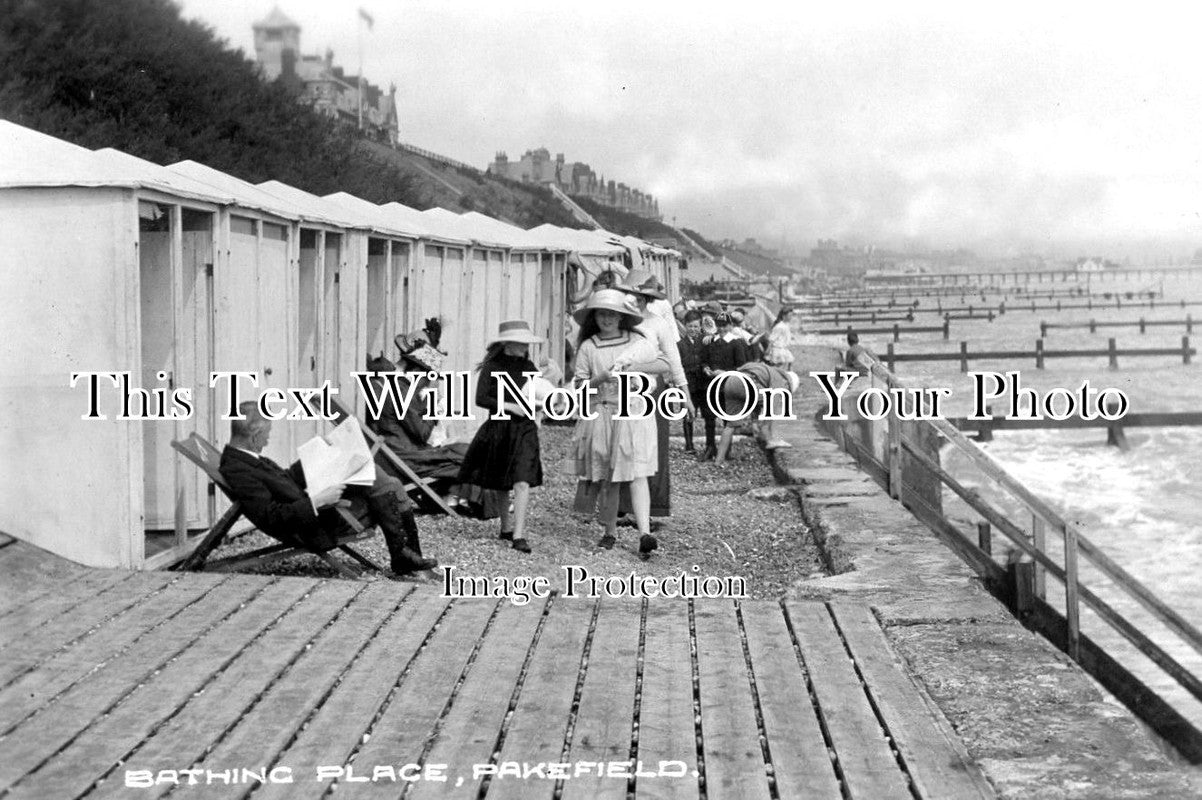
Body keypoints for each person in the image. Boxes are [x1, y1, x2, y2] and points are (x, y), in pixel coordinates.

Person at [219, 402, 437, 578]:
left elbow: (283, 482)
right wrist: (317, 501)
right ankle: (405, 556)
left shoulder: (244, 459)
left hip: (314, 510)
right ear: (254, 433)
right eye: (267, 433)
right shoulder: (239, 470)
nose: (268, 440)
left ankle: (405, 556)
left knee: (383, 479)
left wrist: (318, 453)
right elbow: (271, 516)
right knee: (389, 485)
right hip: (315, 525)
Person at [571, 289, 665, 558]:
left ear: (622, 316)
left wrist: (637, 377)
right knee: (608, 475)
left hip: (633, 411)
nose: (607, 319)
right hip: (602, 412)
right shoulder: (589, 346)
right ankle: (609, 531)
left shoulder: (636, 340)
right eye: (602, 314)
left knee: (637, 472)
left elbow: (662, 366)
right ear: (594, 317)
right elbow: (578, 385)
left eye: (613, 314)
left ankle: (644, 533)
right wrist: (599, 378)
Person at [457, 320, 545, 554]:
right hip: (499, 427)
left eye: (526, 342)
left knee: (522, 479)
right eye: (520, 342)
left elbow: (538, 393)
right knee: (501, 481)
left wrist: (541, 404)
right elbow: (481, 398)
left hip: (525, 428)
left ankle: (519, 533)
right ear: (507, 343)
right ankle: (506, 527)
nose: (525, 346)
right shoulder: (493, 366)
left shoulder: (529, 366)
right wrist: (509, 406)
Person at [614, 269, 693, 519]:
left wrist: (686, 395)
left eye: (640, 296)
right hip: (619, 388)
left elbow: (673, 361)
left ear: (648, 299)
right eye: (630, 294)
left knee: (653, 447)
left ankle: (652, 507)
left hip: (650, 391)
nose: (635, 299)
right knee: (620, 444)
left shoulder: (658, 324)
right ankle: (620, 507)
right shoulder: (618, 320)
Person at [363, 345, 470, 512]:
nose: (427, 384)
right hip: (405, 459)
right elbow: (423, 434)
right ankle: (464, 501)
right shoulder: (402, 392)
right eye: (427, 379)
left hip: (391, 454)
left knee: (462, 452)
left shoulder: (387, 385)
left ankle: (447, 498)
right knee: (467, 455)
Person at [714, 362, 801, 461]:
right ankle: (772, 439)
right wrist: (766, 428)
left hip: (731, 382)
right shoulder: (779, 379)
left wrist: (754, 422)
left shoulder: (766, 370)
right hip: (745, 384)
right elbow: (772, 405)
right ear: (787, 382)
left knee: (730, 426)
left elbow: (755, 401)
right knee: (773, 403)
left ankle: (719, 460)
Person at [699, 312, 751, 461]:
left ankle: (726, 450)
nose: (721, 329)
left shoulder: (737, 343)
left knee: (727, 419)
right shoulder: (711, 342)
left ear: (731, 326)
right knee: (709, 418)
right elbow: (704, 360)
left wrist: (724, 373)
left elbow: (742, 368)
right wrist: (706, 368)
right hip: (711, 385)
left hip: (728, 386)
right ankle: (710, 447)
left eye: (724, 326)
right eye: (719, 326)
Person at [677, 310, 706, 453]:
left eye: (696, 326)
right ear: (685, 326)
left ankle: (710, 444)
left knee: (708, 414)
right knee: (688, 414)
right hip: (688, 384)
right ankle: (689, 445)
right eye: (690, 326)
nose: (693, 329)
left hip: (703, 383)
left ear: (700, 326)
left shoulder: (705, 341)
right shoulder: (680, 345)